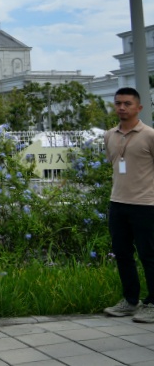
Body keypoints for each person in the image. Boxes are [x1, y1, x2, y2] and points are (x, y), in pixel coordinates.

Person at [104, 87, 154, 323]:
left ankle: (153, 303)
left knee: (149, 255)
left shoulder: (150, 135)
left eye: (127, 103)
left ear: (139, 108)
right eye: (118, 103)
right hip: (118, 203)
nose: (121, 108)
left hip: (146, 205)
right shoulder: (109, 135)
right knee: (122, 254)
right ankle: (130, 301)